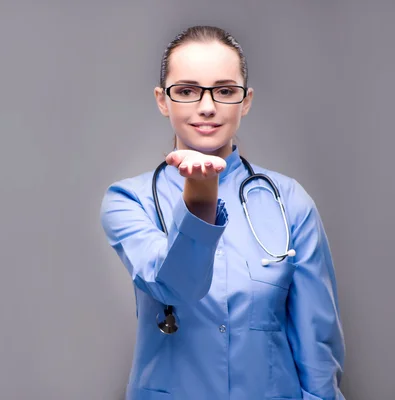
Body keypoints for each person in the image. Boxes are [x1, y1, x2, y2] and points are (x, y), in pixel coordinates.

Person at [99, 25, 345, 399]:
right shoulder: (129, 200)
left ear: (245, 101)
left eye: (225, 91)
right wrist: (199, 200)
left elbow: (317, 340)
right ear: (162, 100)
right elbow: (173, 286)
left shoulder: (289, 200)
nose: (207, 107)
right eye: (186, 91)